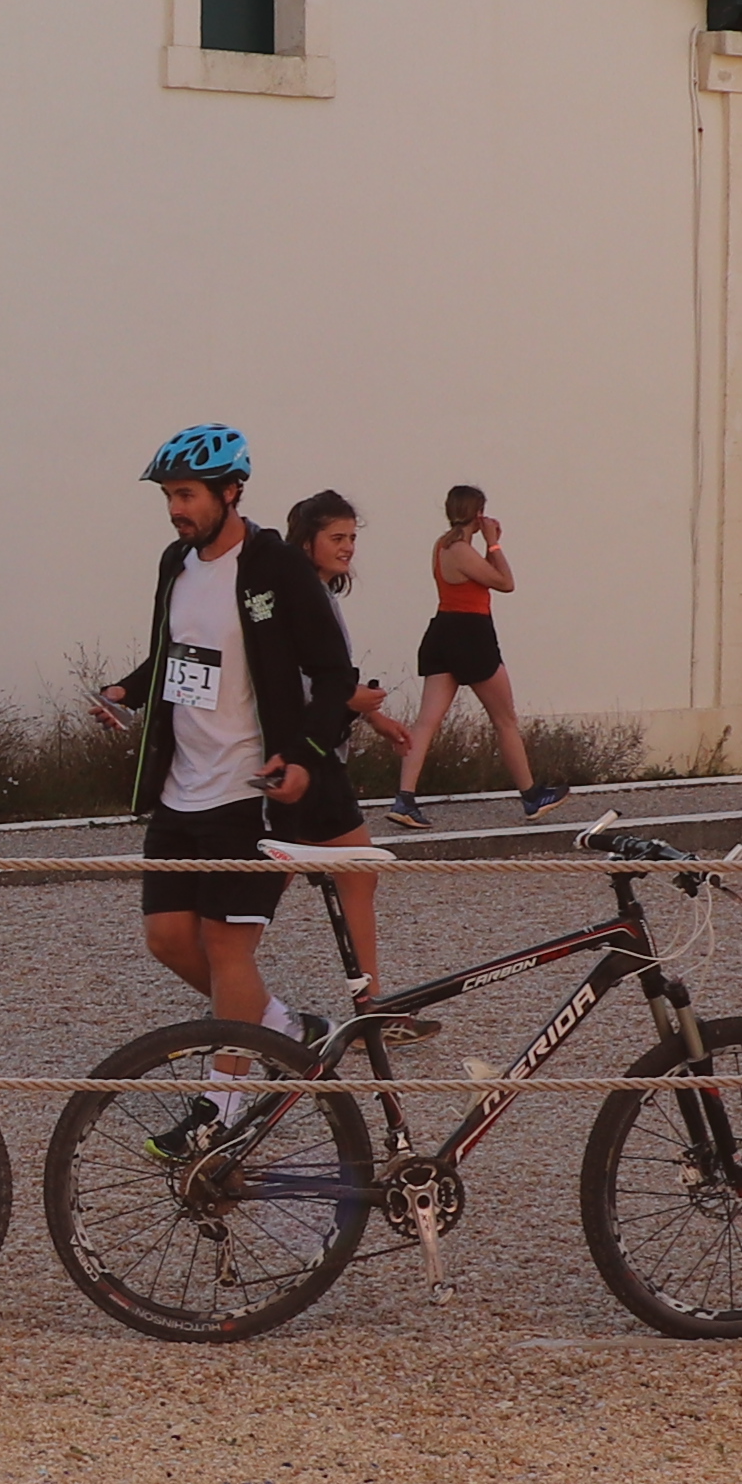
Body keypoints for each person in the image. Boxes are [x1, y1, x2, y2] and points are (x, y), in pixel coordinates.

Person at [88, 424, 352, 1048]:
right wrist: (127, 691)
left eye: (187, 495)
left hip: (250, 788)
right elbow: (176, 655)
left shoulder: (275, 564)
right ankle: (284, 1030)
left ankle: (221, 1111)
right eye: (169, 497)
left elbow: (335, 673)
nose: (176, 510)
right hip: (182, 787)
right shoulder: (175, 563)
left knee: (227, 946)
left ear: (231, 490)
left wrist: (305, 755)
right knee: (169, 938)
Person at [274, 493, 400, 998]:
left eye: (352, 538)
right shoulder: (300, 597)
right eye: (337, 538)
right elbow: (304, 682)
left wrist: (375, 716)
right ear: (308, 540)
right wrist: (357, 702)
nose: (348, 548)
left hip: (320, 754)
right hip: (310, 755)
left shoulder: (320, 594)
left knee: (350, 875)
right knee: (334, 873)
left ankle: (373, 1002)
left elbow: (330, 682)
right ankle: (372, 1004)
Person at [389, 486, 556, 820]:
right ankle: (531, 795)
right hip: (471, 634)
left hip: (443, 631)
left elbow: (483, 576)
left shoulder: (443, 545)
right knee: (505, 719)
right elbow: (506, 582)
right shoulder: (462, 551)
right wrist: (494, 543)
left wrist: (485, 545)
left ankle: (404, 798)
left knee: (426, 722)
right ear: (477, 513)